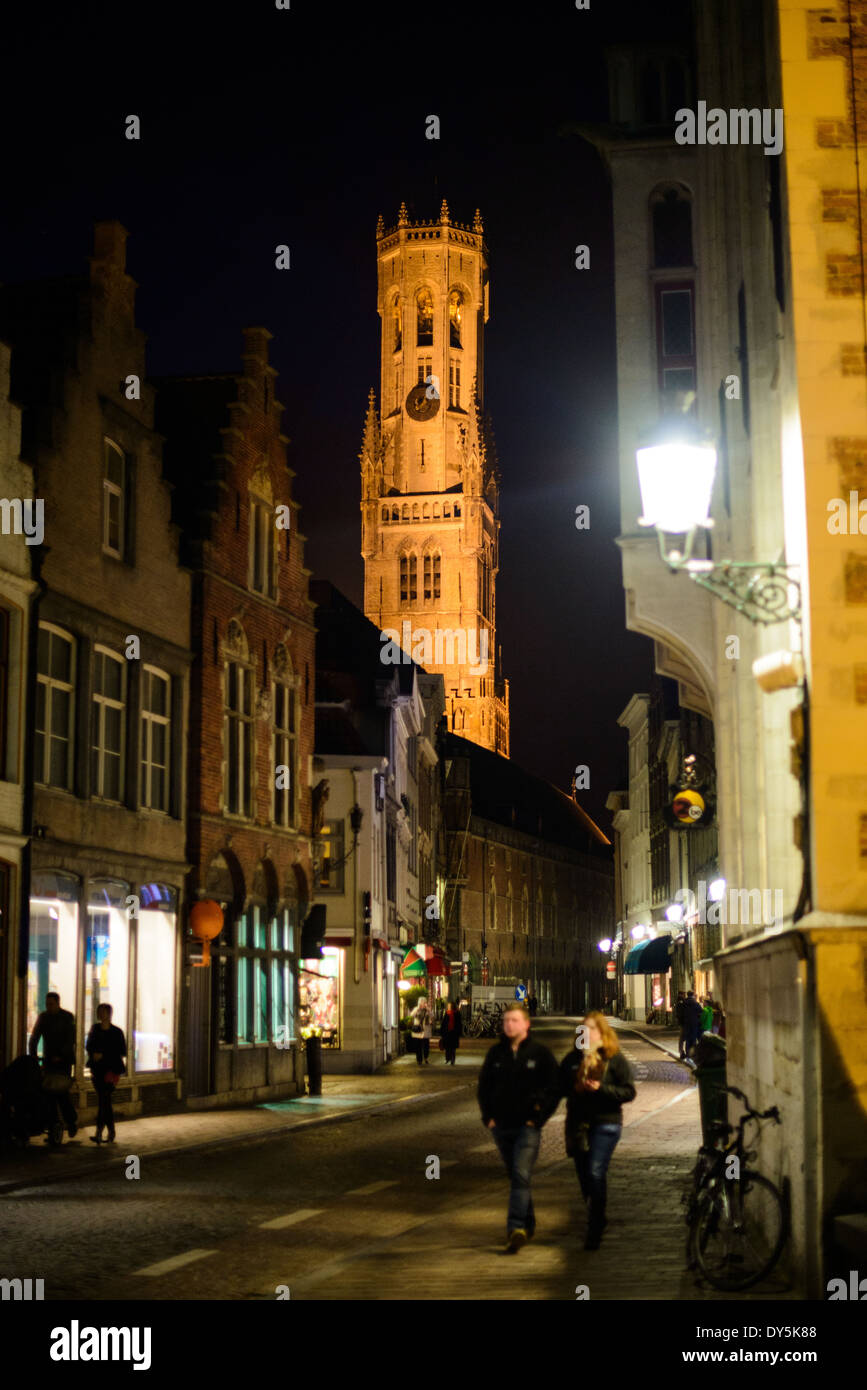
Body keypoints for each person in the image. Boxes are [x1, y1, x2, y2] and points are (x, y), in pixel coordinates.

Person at [477, 1003, 559, 1253]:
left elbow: (554, 1088)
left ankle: (514, 1228)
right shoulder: (496, 1054)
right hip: (501, 1126)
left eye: (514, 1020)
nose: (509, 1025)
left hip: (528, 1126)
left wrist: (539, 1116)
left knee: (521, 1173)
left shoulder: (539, 1054)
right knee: (516, 1176)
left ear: (526, 1024)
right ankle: (528, 1223)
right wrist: (488, 1117)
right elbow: (484, 1086)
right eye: (506, 1021)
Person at [558, 1011, 636, 1249]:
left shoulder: (613, 1058)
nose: (586, 1033)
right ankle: (597, 1213)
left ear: (602, 1033)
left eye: (592, 1029)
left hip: (606, 1122)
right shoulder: (572, 1059)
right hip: (579, 1125)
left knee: (595, 1171)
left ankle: (595, 1227)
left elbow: (628, 1091)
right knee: (584, 1176)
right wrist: (575, 1088)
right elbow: (559, 1086)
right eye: (583, 1029)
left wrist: (600, 1089)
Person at [28, 992, 78, 1139]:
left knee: (61, 1094)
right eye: (47, 1004)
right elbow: (34, 1037)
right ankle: (54, 1125)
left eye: (51, 1004)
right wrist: (33, 1056)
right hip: (49, 1060)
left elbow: (70, 1040)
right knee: (49, 1094)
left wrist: (61, 1055)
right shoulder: (43, 1017)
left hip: (63, 1062)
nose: (48, 1007)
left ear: (57, 1003)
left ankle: (69, 1122)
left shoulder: (68, 1017)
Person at [85, 1003, 127, 1144]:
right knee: (105, 1101)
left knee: (104, 1100)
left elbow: (122, 1051)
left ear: (109, 1014)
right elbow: (89, 1045)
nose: (100, 1015)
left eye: (103, 1012)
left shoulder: (117, 1032)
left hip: (111, 1071)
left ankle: (99, 1132)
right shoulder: (95, 1029)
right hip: (97, 1070)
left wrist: (103, 1055)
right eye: (99, 1012)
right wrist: (93, 1054)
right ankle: (111, 1131)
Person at [410, 995, 433, 1066]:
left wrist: (428, 1010)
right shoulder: (416, 1009)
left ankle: (426, 1057)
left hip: (426, 1030)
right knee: (418, 1046)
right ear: (419, 1003)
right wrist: (417, 1009)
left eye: (424, 1002)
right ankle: (419, 1060)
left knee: (426, 1045)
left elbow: (432, 1016)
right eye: (422, 1002)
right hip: (418, 1030)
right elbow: (411, 1015)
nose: (423, 1004)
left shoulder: (427, 1010)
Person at [682, 990, 704, 1061]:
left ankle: (688, 1054)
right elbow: (701, 1011)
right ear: (693, 995)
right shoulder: (695, 1003)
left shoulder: (684, 1003)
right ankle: (693, 1054)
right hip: (694, 1023)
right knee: (693, 1039)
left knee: (688, 1039)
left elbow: (682, 1013)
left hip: (686, 1023)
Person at [439, 999, 462, 1064]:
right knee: (447, 1047)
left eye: (449, 1006)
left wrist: (458, 1032)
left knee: (453, 1048)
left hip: (454, 1033)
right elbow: (444, 1023)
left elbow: (459, 1023)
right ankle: (447, 1059)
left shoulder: (457, 1013)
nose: (448, 1006)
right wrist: (442, 1031)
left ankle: (452, 1060)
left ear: (452, 1006)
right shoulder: (447, 1013)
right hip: (447, 1032)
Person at [675, 991, 687, 1059]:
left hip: (682, 1022)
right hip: (683, 1022)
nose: (684, 995)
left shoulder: (680, 1002)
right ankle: (681, 1052)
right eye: (683, 994)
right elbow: (680, 1014)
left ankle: (682, 1051)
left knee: (682, 1038)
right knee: (682, 1038)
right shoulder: (681, 1003)